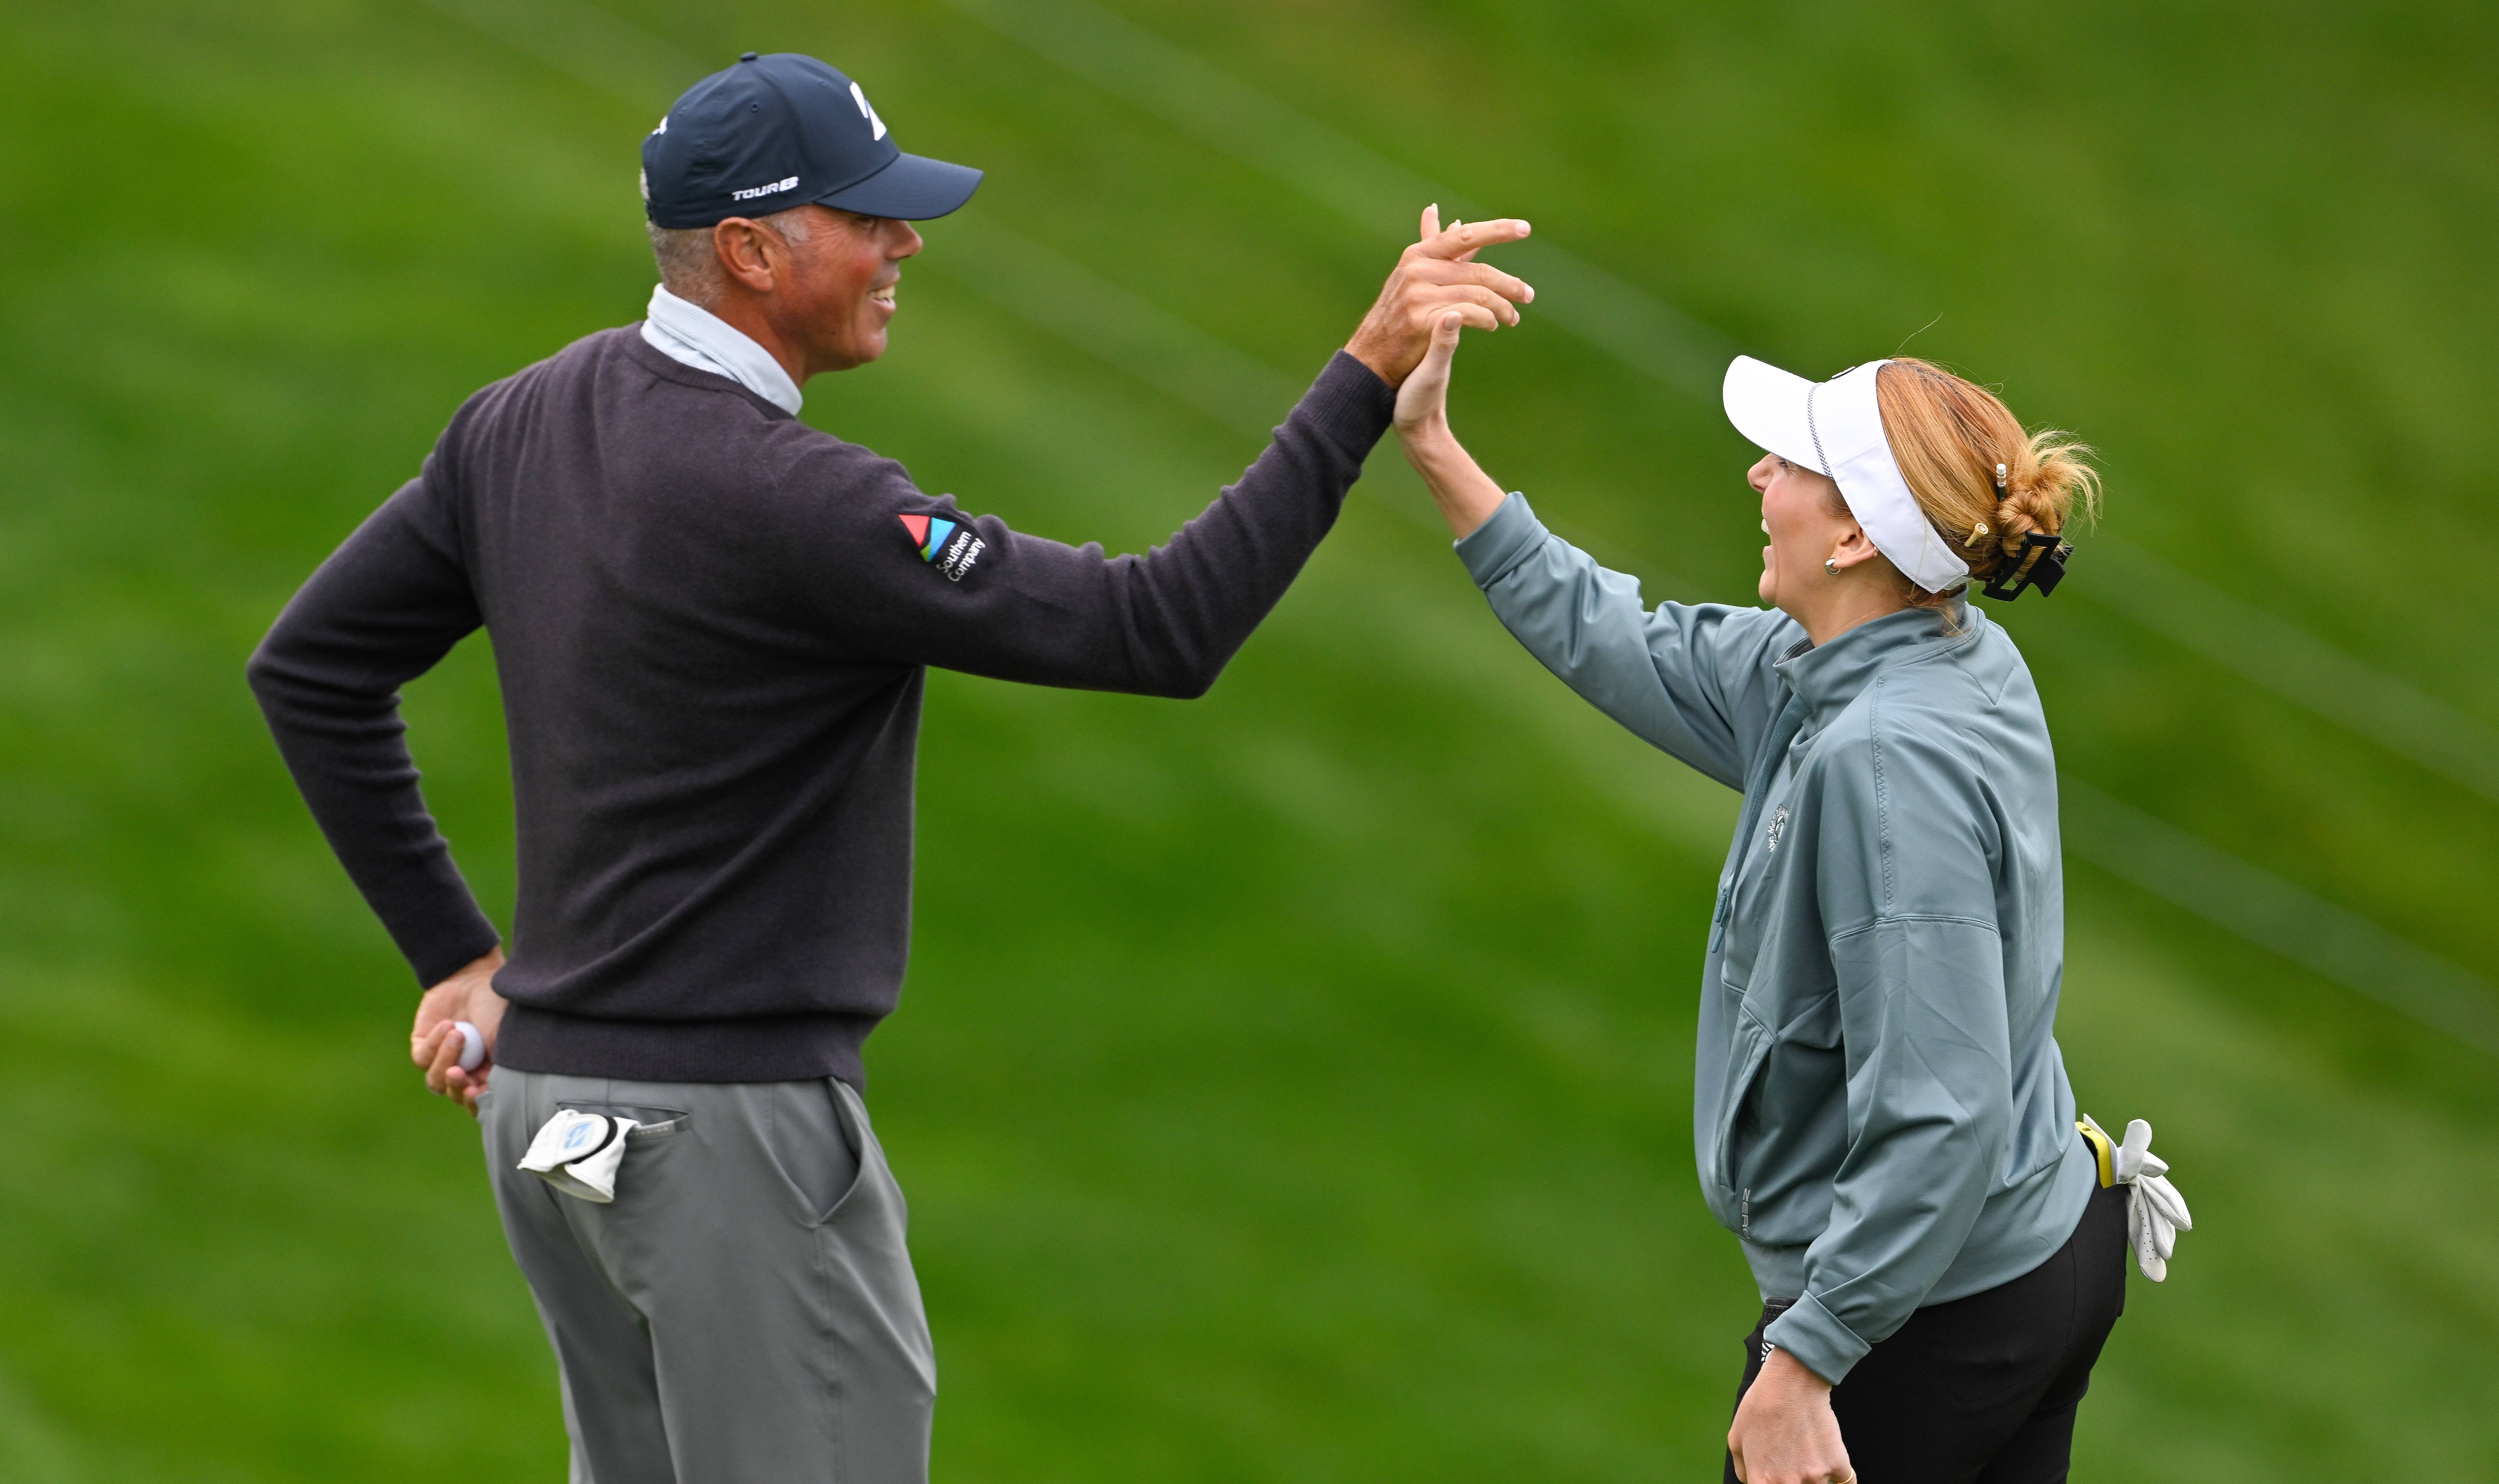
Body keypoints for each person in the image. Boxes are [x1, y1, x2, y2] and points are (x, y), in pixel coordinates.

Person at [245, 49, 1535, 1483]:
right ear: (749, 251)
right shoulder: (796, 500)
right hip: (729, 1151)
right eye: (867, 218)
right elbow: (1158, 625)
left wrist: (459, 955)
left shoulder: (520, 420)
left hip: (556, 1122)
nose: (904, 243)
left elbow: (309, 667)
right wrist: (1362, 375)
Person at [1386, 310, 2188, 1483]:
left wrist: (1806, 1359)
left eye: (1792, 463)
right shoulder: (1915, 654)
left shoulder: (1884, 761)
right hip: (2033, 1244)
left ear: (1858, 532)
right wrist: (1433, 446)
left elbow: (1938, 1103)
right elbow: (1626, 640)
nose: (1758, 473)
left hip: (1932, 1314)